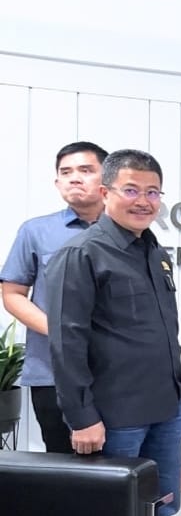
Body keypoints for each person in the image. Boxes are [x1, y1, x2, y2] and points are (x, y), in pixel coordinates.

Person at [45, 149, 181, 516]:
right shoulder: (81, 254)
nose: (143, 201)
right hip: (115, 416)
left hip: (167, 408)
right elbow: (66, 342)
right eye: (131, 190)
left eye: (153, 192)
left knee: (162, 509)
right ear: (106, 193)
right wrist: (81, 417)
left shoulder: (155, 253)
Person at [0, 141, 107, 453]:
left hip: (116, 374)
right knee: (62, 461)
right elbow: (13, 294)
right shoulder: (36, 231)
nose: (75, 178)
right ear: (57, 182)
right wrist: (61, 331)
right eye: (66, 172)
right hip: (53, 371)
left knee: (120, 462)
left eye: (85, 170)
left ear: (107, 178)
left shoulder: (128, 231)